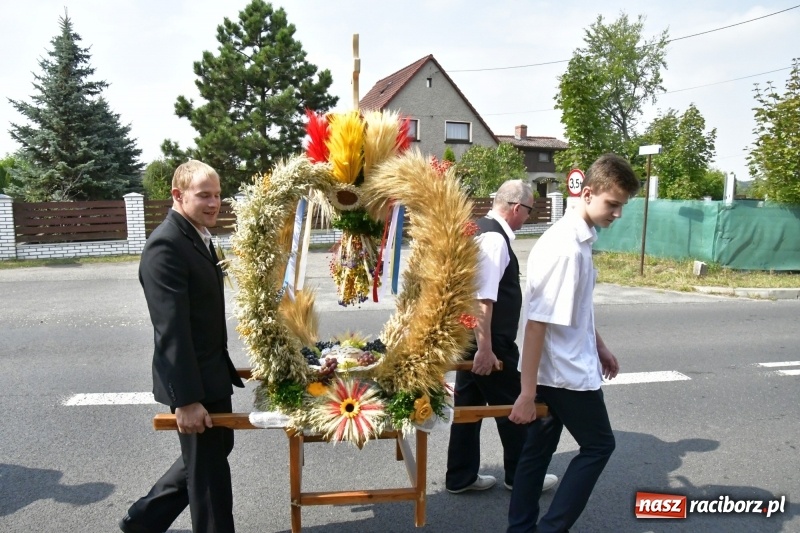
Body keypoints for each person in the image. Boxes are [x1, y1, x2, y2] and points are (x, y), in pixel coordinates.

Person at [506, 154, 640, 533]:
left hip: (563, 366)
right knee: (599, 446)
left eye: (621, 206)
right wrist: (527, 393)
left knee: (536, 454)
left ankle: (521, 529)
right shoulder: (565, 247)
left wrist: (599, 345)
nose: (617, 214)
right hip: (565, 374)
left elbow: (577, 307)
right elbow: (535, 325)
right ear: (588, 192)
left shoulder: (580, 237)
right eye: (612, 204)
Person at [120, 160, 244, 533]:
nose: (214, 203)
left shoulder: (197, 235)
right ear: (178, 195)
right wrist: (187, 401)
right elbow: (171, 329)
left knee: (215, 449)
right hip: (194, 382)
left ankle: (143, 520)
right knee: (208, 477)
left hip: (210, 371)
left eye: (218, 195)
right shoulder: (166, 245)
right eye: (204, 195)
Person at [446, 180, 558, 494]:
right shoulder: (494, 239)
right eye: (529, 210)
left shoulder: (479, 229)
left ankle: (460, 476)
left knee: (467, 409)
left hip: (469, 337)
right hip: (489, 343)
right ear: (514, 207)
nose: (528, 218)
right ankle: (522, 477)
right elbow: (483, 298)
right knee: (518, 408)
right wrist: (485, 348)